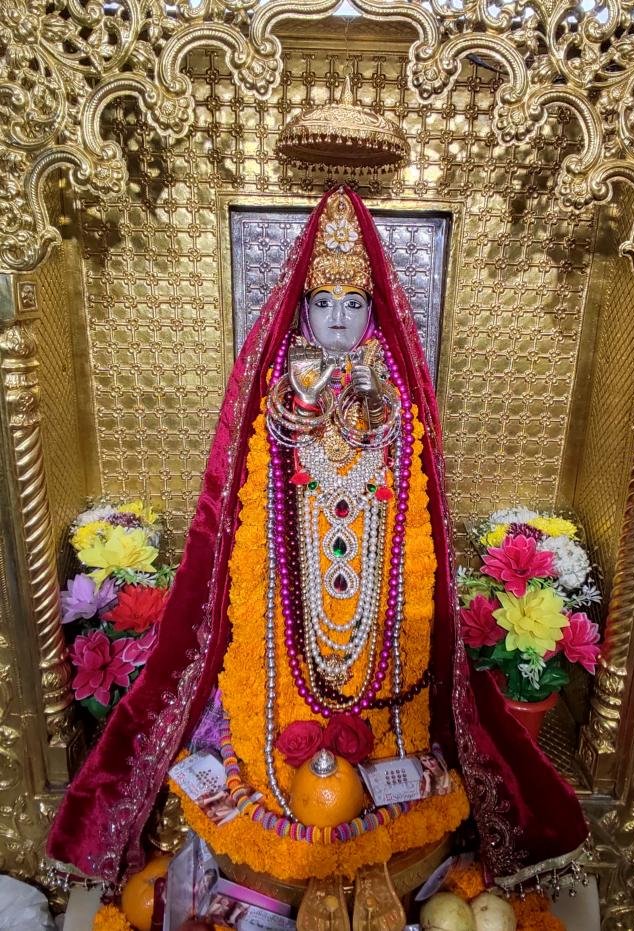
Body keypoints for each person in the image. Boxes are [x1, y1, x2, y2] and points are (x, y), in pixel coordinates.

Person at [47, 188, 588, 899]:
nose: (338, 318)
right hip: (290, 605)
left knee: (384, 674)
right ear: (302, 311)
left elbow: (410, 509)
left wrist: (370, 424)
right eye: (325, 302)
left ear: (374, 314)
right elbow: (255, 510)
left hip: (377, 595)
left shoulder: (394, 399)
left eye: (354, 304)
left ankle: (378, 756)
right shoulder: (279, 395)